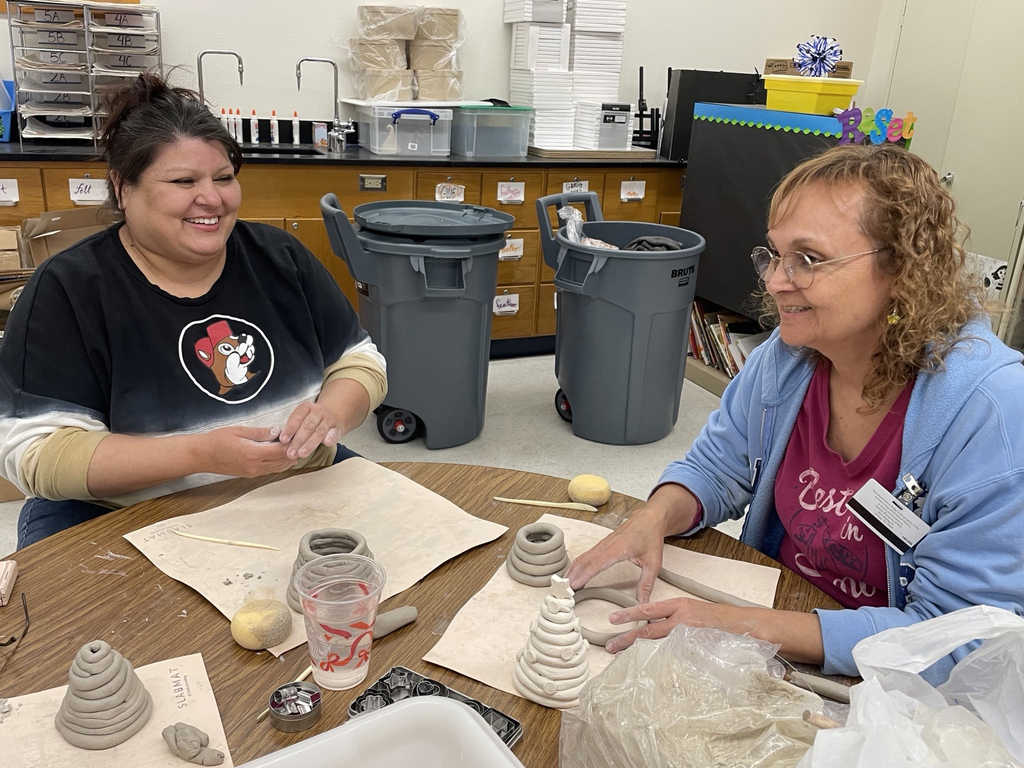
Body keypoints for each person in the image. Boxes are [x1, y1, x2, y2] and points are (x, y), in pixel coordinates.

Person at [566, 143, 1024, 684]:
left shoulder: (993, 413)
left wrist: (742, 626)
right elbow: (718, 467)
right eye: (774, 254)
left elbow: (955, 637)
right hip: (782, 614)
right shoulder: (787, 362)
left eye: (808, 258)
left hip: (890, 685)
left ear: (902, 269)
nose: (776, 281)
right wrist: (655, 516)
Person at [0, 74, 387, 548]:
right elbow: (41, 457)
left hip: (296, 484)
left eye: (224, 178)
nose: (213, 199)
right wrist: (199, 454)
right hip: (133, 514)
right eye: (184, 181)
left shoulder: (279, 257)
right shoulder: (70, 289)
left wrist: (330, 414)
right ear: (123, 188)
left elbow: (359, 361)